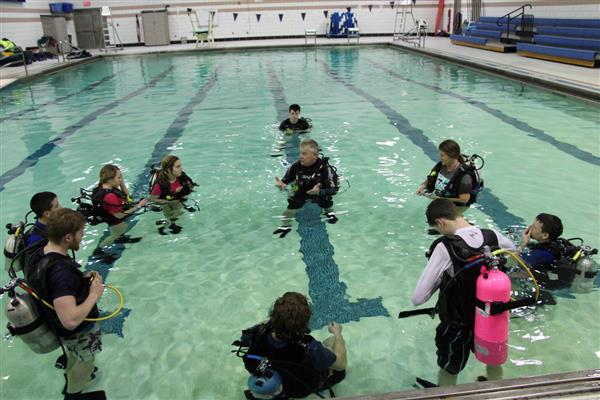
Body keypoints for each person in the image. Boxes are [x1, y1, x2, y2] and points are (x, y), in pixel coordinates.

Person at [411, 198, 516, 386]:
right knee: (492, 359)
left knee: (450, 369)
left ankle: (447, 394)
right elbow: (513, 251)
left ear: (441, 223)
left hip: (457, 324)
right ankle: (496, 390)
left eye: (437, 229)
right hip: (490, 319)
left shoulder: (445, 247)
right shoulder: (492, 236)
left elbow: (418, 298)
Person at [23, 208, 106, 400]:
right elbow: (70, 320)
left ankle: (71, 382)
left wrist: (82, 280)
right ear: (68, 237)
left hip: (57, 326)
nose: (82, 236)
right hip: (76, 331)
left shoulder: (39, 252)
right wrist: (94, 294)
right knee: (87, 360)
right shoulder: (61, 272)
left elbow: (52, 288)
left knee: (74, 354)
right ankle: (73, 395)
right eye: (80, 233)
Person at [236, 292, 346, 399]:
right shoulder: (310, 348)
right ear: (305, 324)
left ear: (273, 315)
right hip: (297, 390)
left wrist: (273, 322)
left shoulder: (258, 332)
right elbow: (340, 365)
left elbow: (245, 338)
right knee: (331, 343)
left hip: (272, 377)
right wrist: (337, 333)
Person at [273, 139, 339, 238]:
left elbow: (334, 189)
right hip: (302, 191)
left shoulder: (326, 169)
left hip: (319, 192)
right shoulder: (296, 166)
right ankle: (285, 226)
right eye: (300, 153)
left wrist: (319, 192)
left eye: (304, 154)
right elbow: (285, 181)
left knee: (326, 201)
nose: (300, 156)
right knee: (291, 206)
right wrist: (281, 185)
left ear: (314, 155)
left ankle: (329, 212)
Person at [93, 164, 147, 255]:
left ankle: (121, 238)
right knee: (114, 235)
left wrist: (120, 182)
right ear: (110, 180)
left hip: (111, 215)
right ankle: (99, 250)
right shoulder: (110, 196)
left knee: (119, 232)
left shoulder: (105, 186)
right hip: (115, 221)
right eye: (119, 178)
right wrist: (138, 206)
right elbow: (119, 215)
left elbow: (128, 197)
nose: (121, 179)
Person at [416, 140, 477, 207]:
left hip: (455, 206)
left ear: (452, 156)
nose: (440, 157)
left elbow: (464, 199)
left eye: (442, 155)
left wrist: (440, 199)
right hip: (440, 200)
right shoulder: (441, 165)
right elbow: (432, 176)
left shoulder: (464, 176)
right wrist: (423, 186)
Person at [149, 155, 197, 235]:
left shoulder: (182, 177)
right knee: (173, 206)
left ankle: (170, 223)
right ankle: (168, 224)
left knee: (177, 206)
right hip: (165, 201)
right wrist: (172, 195)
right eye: (178, 167)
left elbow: (191, 186)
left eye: (181, 166)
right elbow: (152, 199)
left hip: (176, 200)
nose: (181, 168)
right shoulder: (160, 184)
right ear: (168, 170)